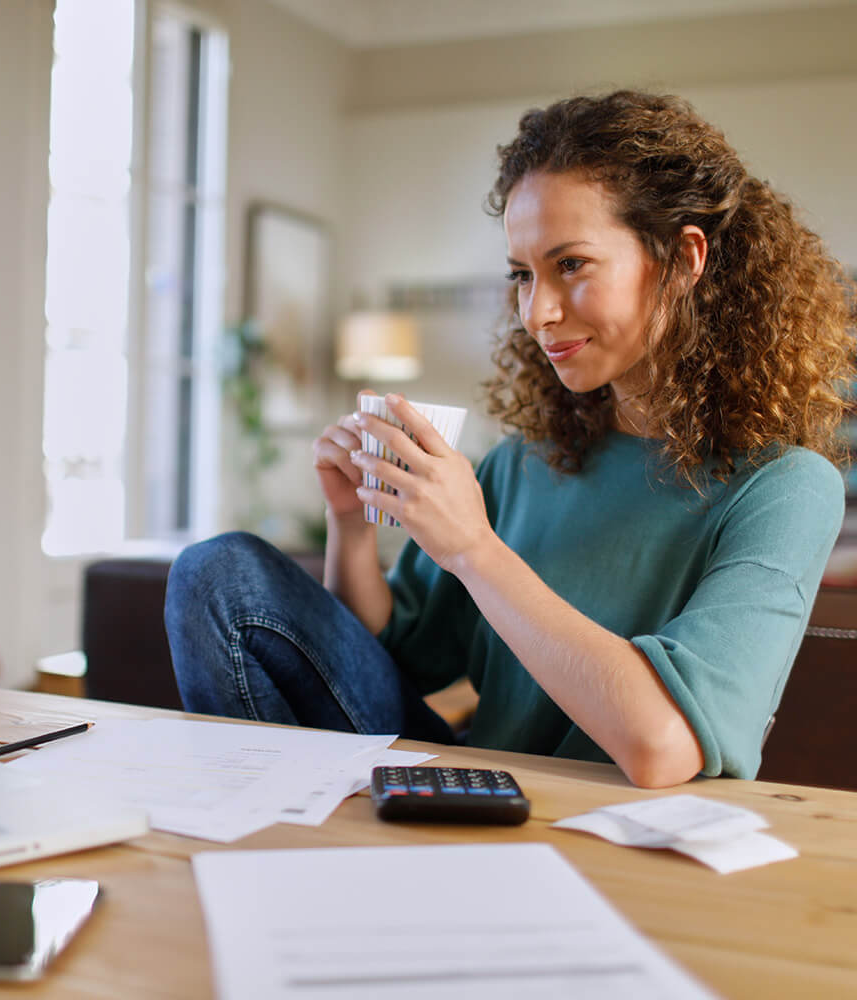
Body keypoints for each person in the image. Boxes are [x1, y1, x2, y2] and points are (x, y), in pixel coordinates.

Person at [165, 90, 856, 788]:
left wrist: (474, 549)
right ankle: (277, 839)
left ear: (683, 259)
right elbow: (390, 657)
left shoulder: (786, 488)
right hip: (482, 797)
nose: (538, 312)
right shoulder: (521, 465)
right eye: (522, 275)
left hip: (626, 833)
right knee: (220, 575)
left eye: (572, 265)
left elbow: (663, 746)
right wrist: (350, 523)